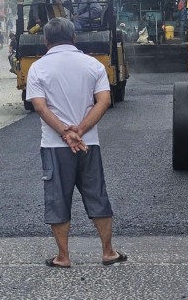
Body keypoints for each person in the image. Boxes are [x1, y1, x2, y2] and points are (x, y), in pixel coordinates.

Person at [25, 17, 126, 268]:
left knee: (58, 198)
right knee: (97, 194)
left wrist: (64, 133)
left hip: (54, 145)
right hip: (88, 143)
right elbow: (103, 101)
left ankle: (64, 256)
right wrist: (79, 130)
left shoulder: (38, 68)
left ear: (46, 40)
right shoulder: (93, 65)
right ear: (74, 38)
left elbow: (39, 106)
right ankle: (108, 251)